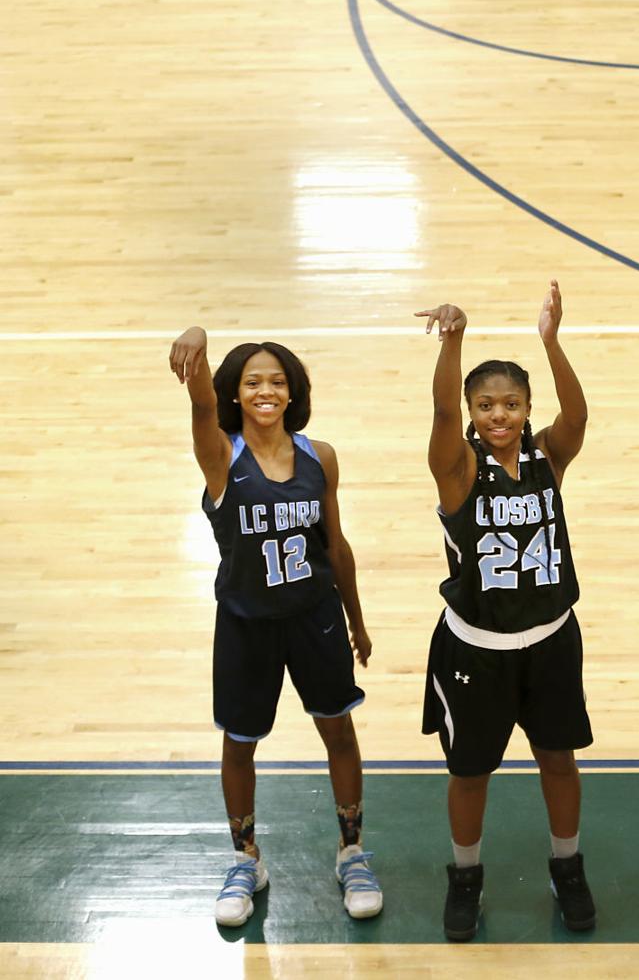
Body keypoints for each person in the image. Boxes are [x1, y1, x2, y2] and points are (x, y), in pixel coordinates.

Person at [168, 327, 382, 927]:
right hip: (244, 624)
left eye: (277, 382)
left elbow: (335, 544)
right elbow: (203, 406)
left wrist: (356, 619)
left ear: (293, 393)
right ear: (235, 395)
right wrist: (201, 342)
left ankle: (352, 851)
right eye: (252, 382)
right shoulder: (220, 454)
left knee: (338, 732)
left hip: (315, 618)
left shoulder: (321, 457)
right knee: (240, 744)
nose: (266, 391)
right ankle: (245, 860)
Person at [415, 283, 596, 943]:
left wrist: (551, 342)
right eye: (486, 404)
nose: (499, 414)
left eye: (511, 404)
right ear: (471, 410)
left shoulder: (547, 457)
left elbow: (577, 416)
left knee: (558, 759)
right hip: (476, 650)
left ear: (526, 408)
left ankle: (567, 864)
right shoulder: (458, 468)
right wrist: (453, 341)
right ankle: (465, 875)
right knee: (470, 773)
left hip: (550, 640)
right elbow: (439, 416)